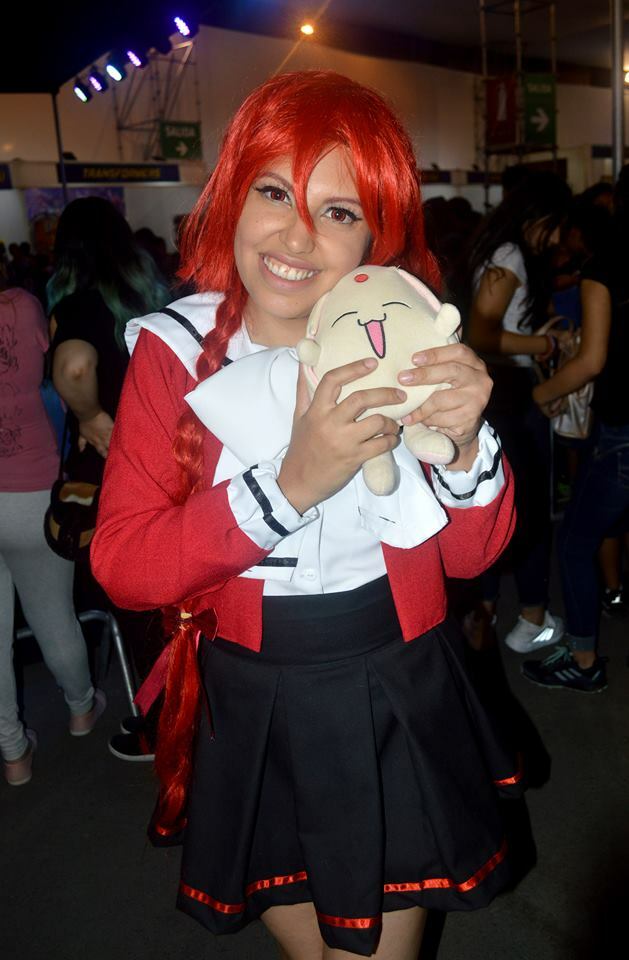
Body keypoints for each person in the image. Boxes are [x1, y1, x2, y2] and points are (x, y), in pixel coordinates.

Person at [91, 71, 520, 959]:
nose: (295, 235)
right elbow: (124, 564)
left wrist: (466, 443)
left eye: (338, 210)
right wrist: (290, 485)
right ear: (230, 197)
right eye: (273, 193)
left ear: (374, 234)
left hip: (392, 678)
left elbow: (471, 556)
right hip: (249, 697)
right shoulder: (175, 350)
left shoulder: (401, 339)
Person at [49, 197, 169, 760]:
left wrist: (92, 416)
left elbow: (74, 366)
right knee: (174, 591)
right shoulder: (155, 297)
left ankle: (163, 726)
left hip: (116, 469)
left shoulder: (79, 304)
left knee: (135, 596)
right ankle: (188, 712)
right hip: (167, 456)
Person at [526, 166, 629, 693]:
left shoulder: (605, 268)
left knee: (573, 542)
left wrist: (538, 394)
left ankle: (584, 661)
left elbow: (591, 361)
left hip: (623, 433)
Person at [0, 282, 104, 787]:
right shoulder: (20, 305)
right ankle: (82, 708)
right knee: (53, 614)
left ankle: (13, 753)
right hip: (30, 490)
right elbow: (52, 367)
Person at [465, 171, 572, 654]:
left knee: (498, 502)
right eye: (556, 224)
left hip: (501, 390)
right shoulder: (509, 254)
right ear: (537, 216)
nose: (559, 237)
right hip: (508, 392)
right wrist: (545, 345)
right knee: (525, 507)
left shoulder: (500, 251)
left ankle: (487, 610)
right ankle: (530, 618)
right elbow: (483, 334)